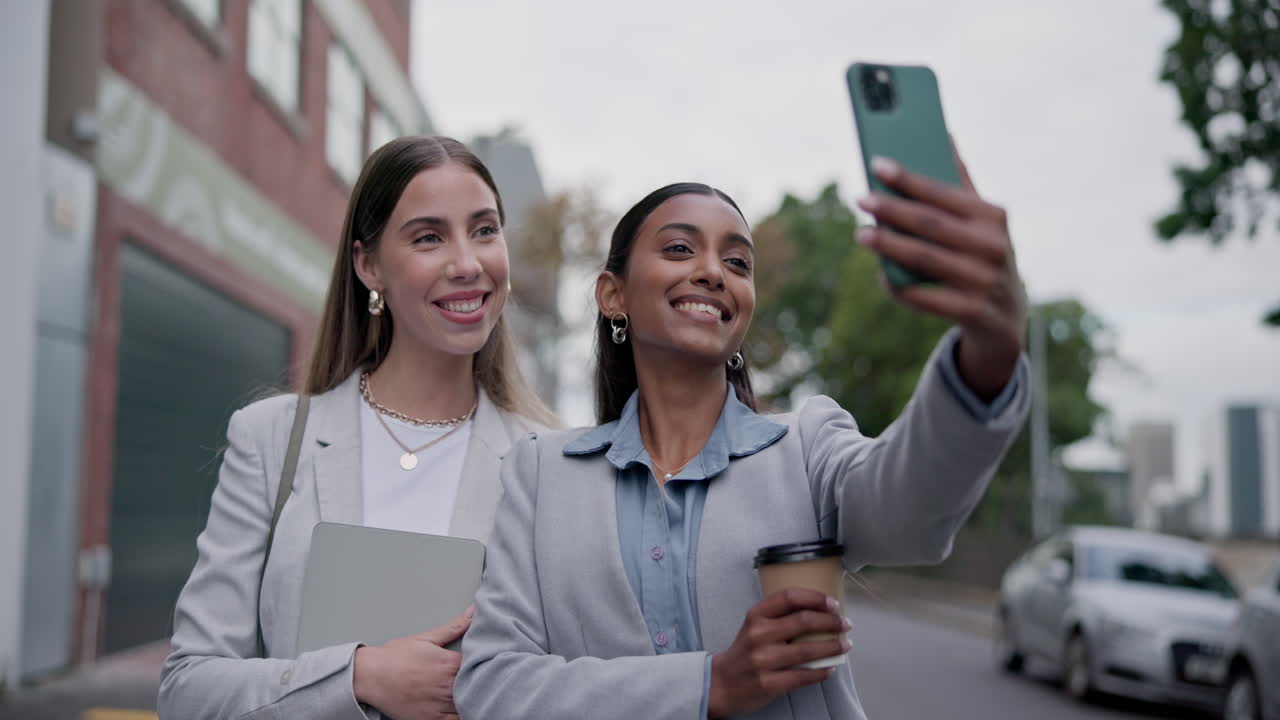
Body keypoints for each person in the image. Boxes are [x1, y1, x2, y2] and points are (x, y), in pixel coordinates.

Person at [455, 151, 1030, 719]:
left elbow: (911, 516)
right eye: (680, 248)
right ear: (613, 295)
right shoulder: (540, 473)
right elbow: (492, 686)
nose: (713, 271)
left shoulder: (808, 446)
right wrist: (710, 685)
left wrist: (988, 353)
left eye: (738, 262)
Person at [159, 136, 556, 720]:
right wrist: (357, 676)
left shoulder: (547, 461)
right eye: (428, 237)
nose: (468, 263)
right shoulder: (271, 439)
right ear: (369, 265)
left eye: (484, 230)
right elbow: (188, 690)